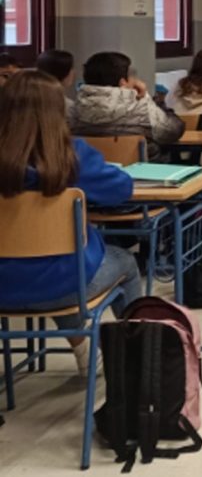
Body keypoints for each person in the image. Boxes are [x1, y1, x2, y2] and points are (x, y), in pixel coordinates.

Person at [0, 71, 142, 376]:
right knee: (122, 261)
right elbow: (122, 190)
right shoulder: (72, 156)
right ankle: (137, 354)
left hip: (3, 286)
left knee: (56, 265)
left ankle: (85, 350)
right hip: (62, 286)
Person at [69, 52, 184, 161]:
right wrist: (152, 100)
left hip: (87, 177)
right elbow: (172, 132)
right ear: (123, 82)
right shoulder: (141, 108)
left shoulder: (73, 110)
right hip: (140, 175)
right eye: (131, 76)